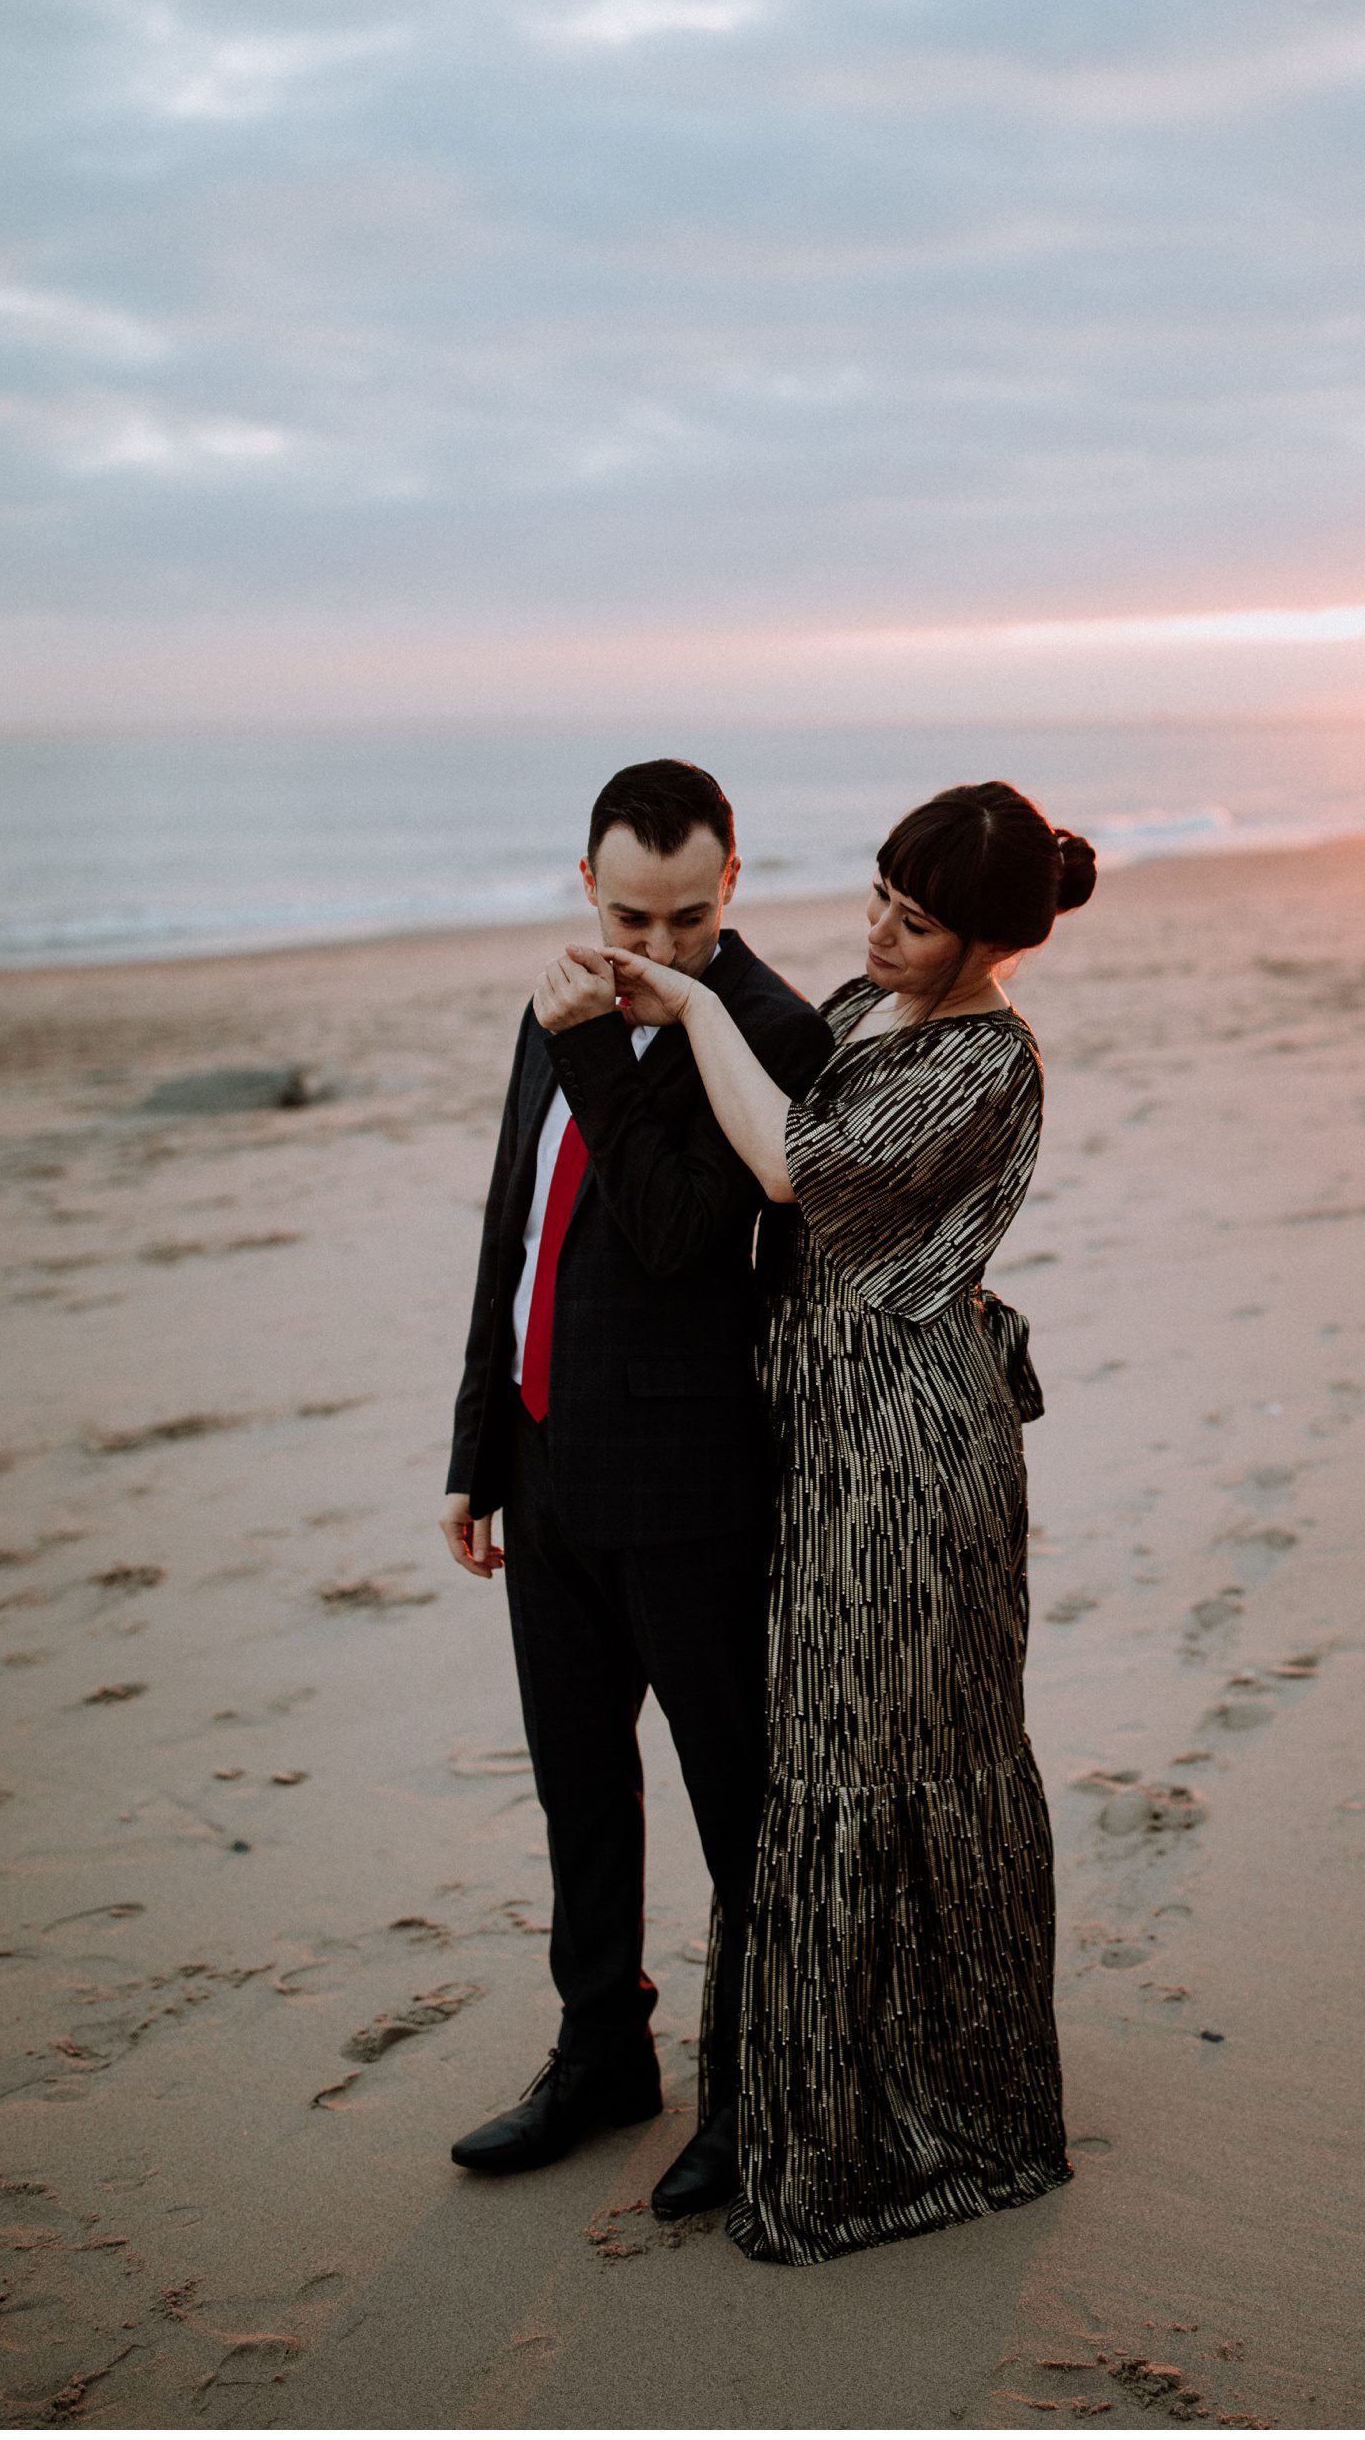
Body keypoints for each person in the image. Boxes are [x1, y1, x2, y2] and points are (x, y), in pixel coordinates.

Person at [606, 778, 1096, 2264]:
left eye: (918, 917)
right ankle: (806, 2096)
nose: (880, 926)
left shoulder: (986, 1064)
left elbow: (791, 1166)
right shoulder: (867, 1000)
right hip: (820, 1434)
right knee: (823, 1754)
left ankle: (936, 2111)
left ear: (990, 941)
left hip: (908, 1450)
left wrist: (689, 1007)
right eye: (881, 892)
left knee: (894, 1757)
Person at [437, 759, 834, 2222]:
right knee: (579, 1791)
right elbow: (517, 1233)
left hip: (691, 1484)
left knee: (738, 1805)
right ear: (583, 883)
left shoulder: (778, 1027)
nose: (653, 948)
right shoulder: (556, 1001)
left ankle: (756, 2085)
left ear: (732, 880)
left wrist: (618, 1034)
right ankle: (603, 2054)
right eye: (627, 916)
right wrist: (478, 1452)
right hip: (546, 1474)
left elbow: (675, 1232)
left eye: (681, 916)